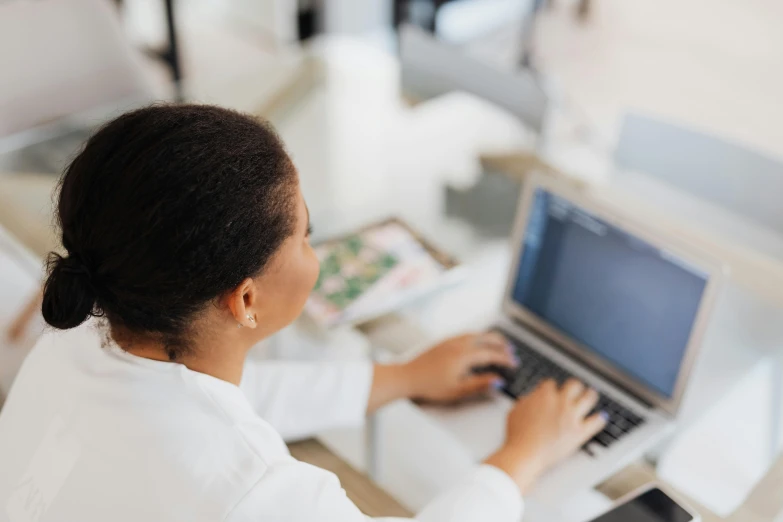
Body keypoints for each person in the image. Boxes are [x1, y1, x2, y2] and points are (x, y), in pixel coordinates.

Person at [0, 105, 605, 522]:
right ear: (245, 299)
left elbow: (215, 396)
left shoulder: (77, 339)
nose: (316, 251)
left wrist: (401, 378)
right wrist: (520, 457)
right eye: (307, 236)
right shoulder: (254, 490)